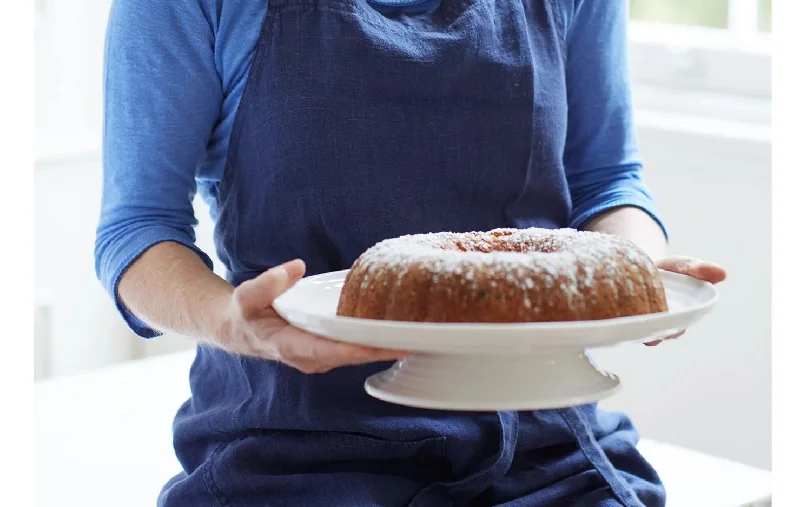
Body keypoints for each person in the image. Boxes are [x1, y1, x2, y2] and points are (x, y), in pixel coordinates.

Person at [95, 0, 726, 505]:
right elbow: (138, 228)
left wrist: (634, 267)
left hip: (550, 444)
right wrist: (232, 322)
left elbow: (607, 182)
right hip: (294, 449)